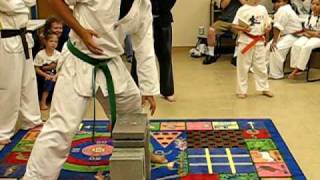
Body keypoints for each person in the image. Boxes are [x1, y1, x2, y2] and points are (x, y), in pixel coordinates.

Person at [23, 0, 166, 179]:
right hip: (78, 60)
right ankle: (35, 177)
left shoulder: (144, 5)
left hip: (111, 63)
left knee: (132, 111)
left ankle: (142, 152)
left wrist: (148, 88)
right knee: (62, 127)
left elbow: (144, 45)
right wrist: (80, 31)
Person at [0, 0, 43, 145]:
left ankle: (31, 120)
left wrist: (22, 4)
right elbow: (11, 7)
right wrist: (23, 5)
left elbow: (31, 2)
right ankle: (3, 130)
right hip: (7, 38)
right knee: (9, 87)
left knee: (28, 82)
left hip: (23, 36)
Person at [131, 0, 177, 102]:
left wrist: (160, 8)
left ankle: (167, 91)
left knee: (165, 56)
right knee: (138, 55)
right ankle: (135, 89)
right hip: (143, 20)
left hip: (163, 20)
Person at [232, 0, 274, 98]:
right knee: (243, 67)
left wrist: (268, 27)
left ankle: (264, 88)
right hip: (245, 41)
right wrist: (244, 29)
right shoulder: (242, 9)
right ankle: (241, 90)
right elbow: (234, 25)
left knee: (261, 66)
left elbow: (268, 23)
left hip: (259, 41)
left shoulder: (262, 9)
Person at [267, 0, 303, 79]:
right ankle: (262, 70)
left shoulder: (284, 9)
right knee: (267, 47)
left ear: (286, 1)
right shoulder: (283, 9)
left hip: (294, 36)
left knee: (276, 48)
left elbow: (277, 27)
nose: (277, 4)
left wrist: (274, 41)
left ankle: (276, 74)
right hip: (285, 34)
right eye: (275, 2)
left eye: (279, 2)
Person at [203, 0, 246, 65]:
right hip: (223, 20)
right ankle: (210, 55)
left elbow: (248, 6)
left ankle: (236, 56)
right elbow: (223, 6)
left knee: (241, 33)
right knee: (211, 30)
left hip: (237, 22)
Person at [289, 0, 320, 79]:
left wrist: (310, 34)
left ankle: (299, 69)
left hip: (318, 39)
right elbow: (305, 29)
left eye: (317, 4)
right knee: (296, 44)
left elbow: (318, 34)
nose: (314, 6)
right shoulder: (309, 16)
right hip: (308, 36)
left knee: (306, 47)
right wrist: (311, 33)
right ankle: (295, 66)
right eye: (313, 4)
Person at [34, 32, 60, 110]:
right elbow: (36, 68)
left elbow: (61, 69)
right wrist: (46, 75)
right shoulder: (40, 54)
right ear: (45, 42)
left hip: (55, 74)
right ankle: (43, 102)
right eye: (51, 41)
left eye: (56, 42)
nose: (53, 44)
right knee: (49, 80)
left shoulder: (58, 54)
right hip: (43, 75)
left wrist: (55, 76)